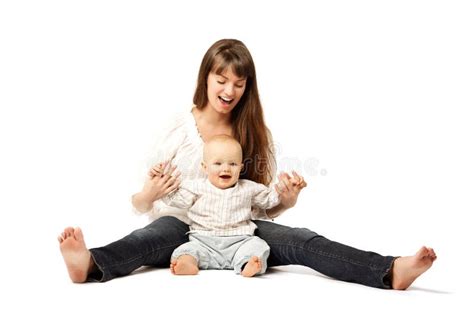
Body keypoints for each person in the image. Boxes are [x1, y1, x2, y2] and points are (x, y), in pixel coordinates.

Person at [58, 38, 437, 289]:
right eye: (221, 79)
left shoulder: (255, 133)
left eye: (238, 84)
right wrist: (148, 194)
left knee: (303, 240)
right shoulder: (177, 128)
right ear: (205, 77)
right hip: (182, 229)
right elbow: (141, 206)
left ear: (248, 87)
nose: (228, 91)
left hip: (240, 230)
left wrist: (287, 200)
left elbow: (262, 206)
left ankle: (388, 271)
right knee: (146, 239)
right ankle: (90, 265)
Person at [154, 134, 305, 277]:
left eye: (232, 164)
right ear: (205, 167)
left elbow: (268, 199)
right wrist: (160, 180)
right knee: (185, 250)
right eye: (218, 163)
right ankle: (188, 263)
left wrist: (283, 188)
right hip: (203, 241)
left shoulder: (249, 188)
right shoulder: (196, 187)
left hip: (240, 241)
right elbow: (176, 199)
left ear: (240, 167)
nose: (225, 168)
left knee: (258, 246)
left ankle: (247, 264)